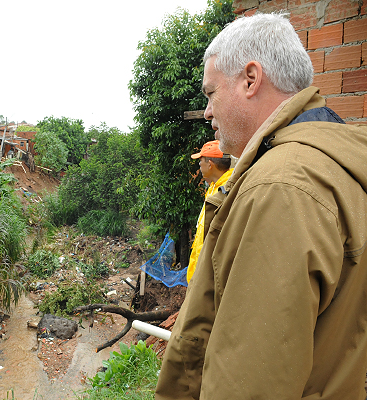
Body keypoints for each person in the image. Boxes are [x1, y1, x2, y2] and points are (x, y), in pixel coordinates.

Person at [156, 12, 367, 400]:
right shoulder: (338, 163)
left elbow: (249, 383)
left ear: (250, 80)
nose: (206, 113)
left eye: (211, 93)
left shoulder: (281, 188)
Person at [184, 140, 232, 284]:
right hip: (200, 270)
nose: (199, 165)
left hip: (209, 276)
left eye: (201, 161)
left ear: (210, 164)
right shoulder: (213, 188)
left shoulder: (227, 191)